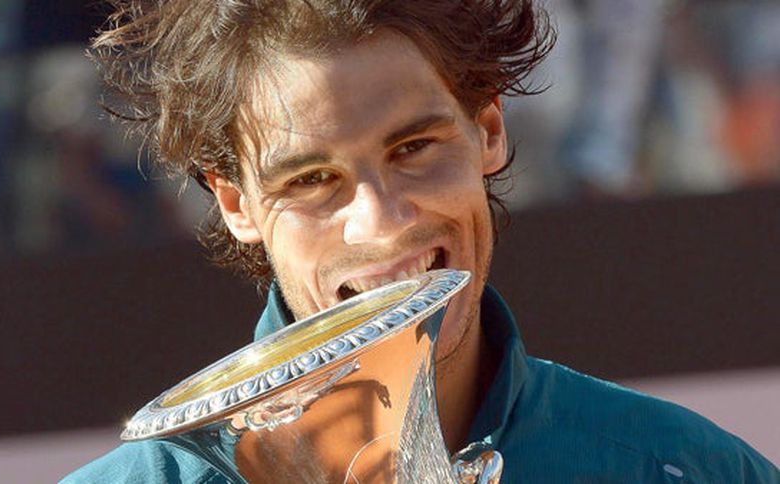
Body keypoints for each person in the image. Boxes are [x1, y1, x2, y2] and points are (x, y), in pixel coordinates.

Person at [64, 0, 779, 482]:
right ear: (234, 204)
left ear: (488, 130)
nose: (381, 222)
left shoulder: (687, 469)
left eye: (413, 147)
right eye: (312, 180)